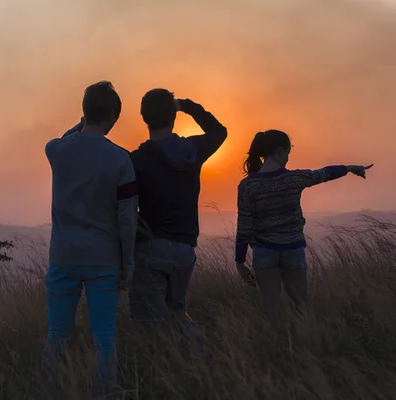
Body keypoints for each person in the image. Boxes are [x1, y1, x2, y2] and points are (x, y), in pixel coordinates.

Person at [43, 81, 138, 396]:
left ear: (84, 113)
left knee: (57, 334)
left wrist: (84, 122)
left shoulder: (55, 150)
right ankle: (104, 391)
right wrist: (128, 262)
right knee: (104, 337)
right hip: (104, 258)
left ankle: (51, 389)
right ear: (113, 114)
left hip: (63, 255)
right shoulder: (121, 159)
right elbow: (126, 218)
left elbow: (68, 137)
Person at [235, 129, 373, 318]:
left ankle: (276, 345)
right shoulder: (294, 178)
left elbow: (244, 226)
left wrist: (240, 261)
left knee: (271, 310)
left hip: (264, 252)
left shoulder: (247, 186)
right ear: (280, 151)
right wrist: (349, 168)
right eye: (287, 153)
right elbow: (324, 173)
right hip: (293, 249)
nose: (287, 159)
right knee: (302, 307)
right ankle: (306, 342)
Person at [129, 89, 227, 352]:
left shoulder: (135, 160)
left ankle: (161, 373)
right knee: (177, 313)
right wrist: (187, 105)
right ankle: (196, 359)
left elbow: (124, 207)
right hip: (185, 249)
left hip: (150, 248)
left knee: (150, 324)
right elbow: (219, 131)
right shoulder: (192, 150)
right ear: (173, 116)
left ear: (144, 118)